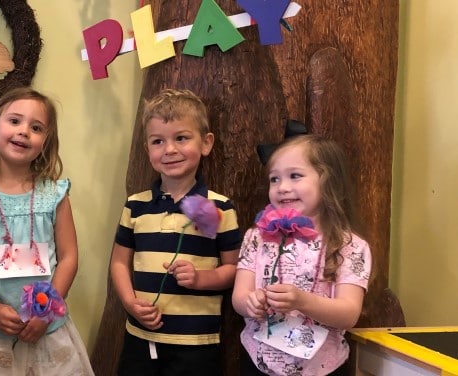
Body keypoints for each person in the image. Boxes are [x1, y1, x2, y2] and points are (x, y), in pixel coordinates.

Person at [0, 87, 93, 375]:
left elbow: (69, 257)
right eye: (14, 121)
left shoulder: (55, 194)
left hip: (45, 331)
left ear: (46, 141)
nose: (24, 131)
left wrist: (46, 310)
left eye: (36, 127)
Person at [109, 89, 242, 375]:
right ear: (148, 150)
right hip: (141, 337)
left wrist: (200, 278)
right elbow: (120, 262)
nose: (169, 149)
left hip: (197, 343)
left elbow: (234, 268)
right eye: (158, 141)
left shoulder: (221, 208)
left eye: (181, 138)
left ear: (206, 143)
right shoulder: (136, 206)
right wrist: (131, 303)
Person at [232, 135, 372, 375]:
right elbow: (239, 297)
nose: (282, 187)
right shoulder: (257, 237)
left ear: (328, 181)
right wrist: (251, 303)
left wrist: (302, 302)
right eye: (274, 179)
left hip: (323, 368)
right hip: (258, 363)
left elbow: (349, 313)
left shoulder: (350, 245)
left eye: (295, 175)